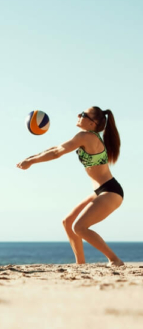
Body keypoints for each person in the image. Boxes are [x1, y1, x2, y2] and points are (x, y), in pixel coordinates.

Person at [17, 107, 124, 267]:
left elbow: (56, 153)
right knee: (68, 222)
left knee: (79, 227)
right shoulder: (87, 137)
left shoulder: (86, 136)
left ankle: (114, 260)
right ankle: (80, 264)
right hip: (100, 191)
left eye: (83, 115)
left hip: (110, 191)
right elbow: (54, 149)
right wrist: (30, 158)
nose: (78, 115)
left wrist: (31, 162)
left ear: (92, 122)